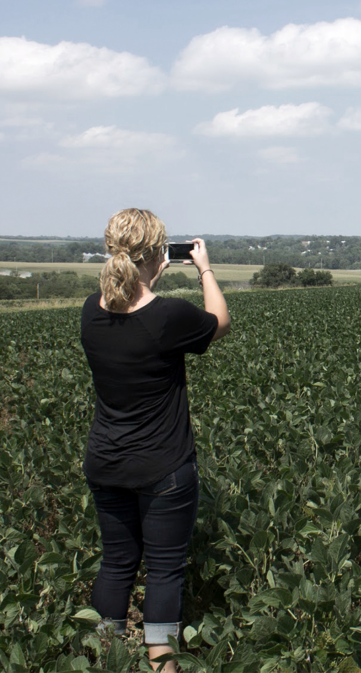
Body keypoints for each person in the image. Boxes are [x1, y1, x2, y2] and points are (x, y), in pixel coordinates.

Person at [80, 208, 230, 672]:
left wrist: (151, 271)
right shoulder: (168, 315)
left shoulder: (91, 311)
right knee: (164, 571)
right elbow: (219, 322)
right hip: (163, 468)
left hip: (106, 462)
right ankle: (162, 661)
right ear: (158, 255)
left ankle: (102, 654)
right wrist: (204, 268)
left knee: (116, 563)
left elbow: (125, 306)